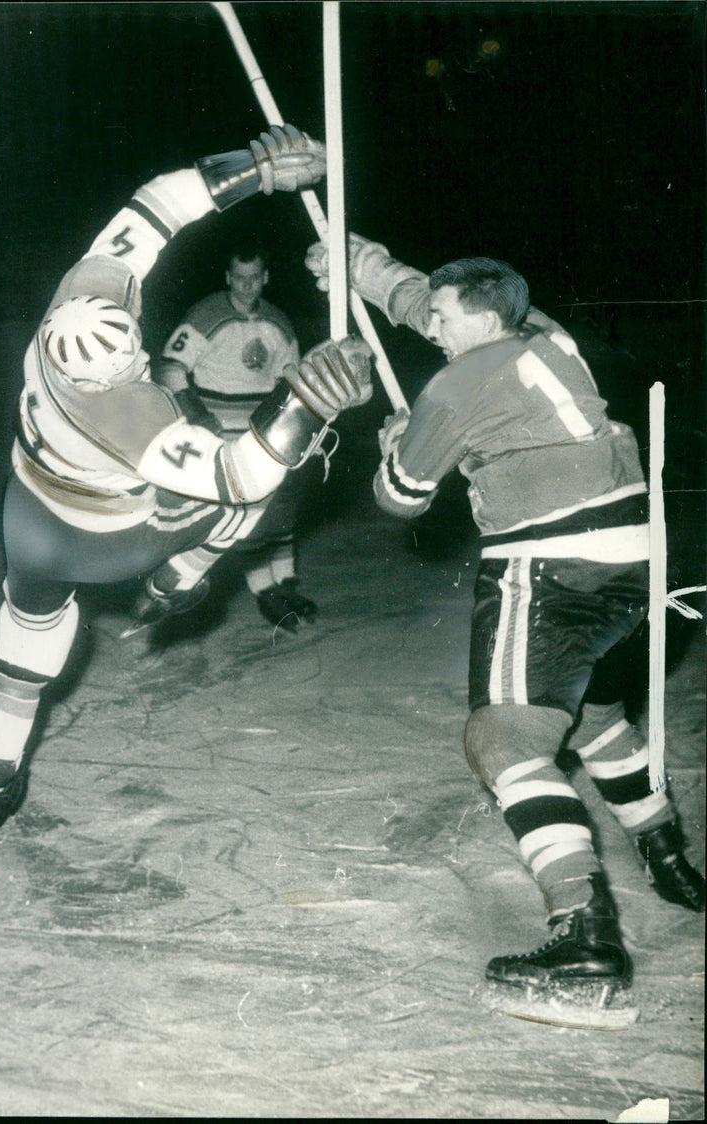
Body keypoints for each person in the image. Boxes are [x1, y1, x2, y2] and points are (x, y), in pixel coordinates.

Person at [306, 236, 705, 1002]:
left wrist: (396, 447)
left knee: (504, 738)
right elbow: (421, 301)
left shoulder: (459, 386)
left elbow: (401, 498)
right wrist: (359, 262)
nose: (437, 332)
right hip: (640, 555)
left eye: (449, 323)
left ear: (482, 321)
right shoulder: (541, 333)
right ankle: (665, 852)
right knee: (589, 712)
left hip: (552, 565)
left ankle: (584, 933)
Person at [0, 125, 374, 837]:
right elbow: (240, 472)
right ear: (124, 351)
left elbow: (156, 204)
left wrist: (252, 171)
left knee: (26, 646)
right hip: (109, 539)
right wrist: (310, 400)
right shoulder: (124, 408)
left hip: (28, 518)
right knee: (248, 498)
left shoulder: (74, 303)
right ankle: (177, 578)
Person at [156, 242, 318, 632]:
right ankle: (265, 591)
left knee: (278, 508)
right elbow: (169, 367)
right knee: (242, 516)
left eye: (254, 278)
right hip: (220, 433)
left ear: (265, 278)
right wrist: (196, 413)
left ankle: (286, 584)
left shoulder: (278, 321)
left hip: (266, 433)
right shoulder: (206, 314)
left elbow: (290, 378)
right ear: (229, 278)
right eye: (239, 278)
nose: (246, 287)